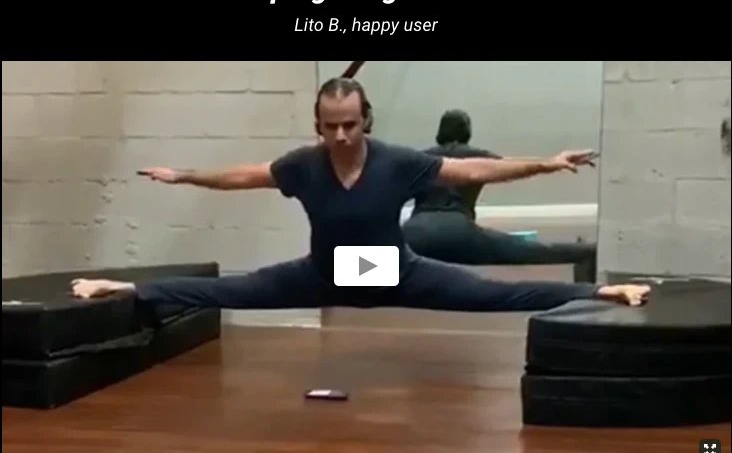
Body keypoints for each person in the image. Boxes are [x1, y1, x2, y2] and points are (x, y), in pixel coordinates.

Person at [71, 78, 650, 310]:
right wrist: (186, 176)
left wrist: (545, 164)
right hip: (325, 273)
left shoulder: (398, 162)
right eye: (331, 126)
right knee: (225, 290)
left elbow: (472, 170)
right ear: (319, 125)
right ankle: (125, 288)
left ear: (364, 119)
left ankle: (604, 290)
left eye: (350, 124)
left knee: (497, 294)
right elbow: (245, 175)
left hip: (392, 271)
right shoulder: (303, 166)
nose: (342, 135)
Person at [402, 109, 598, 281]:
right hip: (460, 233)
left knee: (380, 268)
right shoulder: (478, 156)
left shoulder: (419, 158)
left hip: (415, 234)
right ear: (467, 132)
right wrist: (553, 162)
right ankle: (588, 286)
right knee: (554, 252)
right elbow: (515, 167)